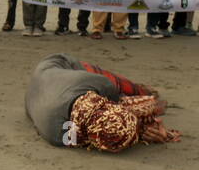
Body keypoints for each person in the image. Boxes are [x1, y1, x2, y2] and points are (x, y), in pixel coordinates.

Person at [24, 54, 181, 152]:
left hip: (56, 64)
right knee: (140, 103)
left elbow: (114, 104)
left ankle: (142, 89)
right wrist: (143, 131)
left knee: (124, 87)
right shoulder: (61, 136)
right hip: (45, 86)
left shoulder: (60, 136)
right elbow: (110, 119)